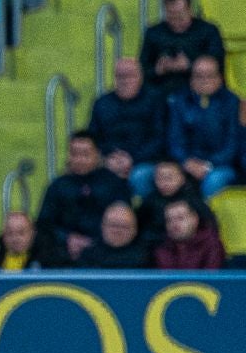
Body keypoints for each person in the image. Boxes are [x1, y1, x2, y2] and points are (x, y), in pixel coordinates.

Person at [32, 133, 127, 267]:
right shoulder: (58, 186)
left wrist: (95, 242)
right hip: (63, 250)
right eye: (74, 154)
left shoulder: (114, 184)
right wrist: (67, 238)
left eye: (85, 154)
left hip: (105, 249)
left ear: (97, 154)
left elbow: (125, 221)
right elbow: (44, 223)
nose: (79, 159)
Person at [87, 58, 168, 198]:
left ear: (140, 76)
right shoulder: (102, 103)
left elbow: (160, 139)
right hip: (110, 161)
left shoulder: (155, 100)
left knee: (139, 177)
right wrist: (109, 159)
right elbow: (93, 139)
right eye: (120, 76)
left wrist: (132, 160)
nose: (125, 81)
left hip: (146, 161)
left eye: (130, 75)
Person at [167, 56, 240, 200]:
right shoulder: (179, 101)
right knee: (164, 176)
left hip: (221, 165)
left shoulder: (232, 102)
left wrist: (207, 165)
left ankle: (206, 220)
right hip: (187, 163)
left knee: (214, 180)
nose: (204, 80)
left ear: (220, 78)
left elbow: (233, 144)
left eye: (209, 76)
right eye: (199, 76)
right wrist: (186, 162)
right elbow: (174, 139)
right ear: (191, 79)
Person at [139, 0, 225, 96]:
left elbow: (218, 63)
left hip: (199, 93)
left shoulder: (208, 31)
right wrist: (158, 69)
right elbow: (141, 69)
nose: (175, 22)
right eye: (171, 16)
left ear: (189, 10)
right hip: (162, 92)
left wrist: (190, 64)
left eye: (180, 17)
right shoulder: (154, 33)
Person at [153, 198, 228, 270]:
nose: (174, 224)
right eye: (169, 220)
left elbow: (211, 279)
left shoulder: (211, 244)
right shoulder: (162, 247)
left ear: (195, 219)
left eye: (180, 218)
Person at [76, 202, 148, 270]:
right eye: (113, 225)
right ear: (103, 226)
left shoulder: (145, 257)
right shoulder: (88, 255)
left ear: (134, 230)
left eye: (124, 226)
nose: (117, 231)